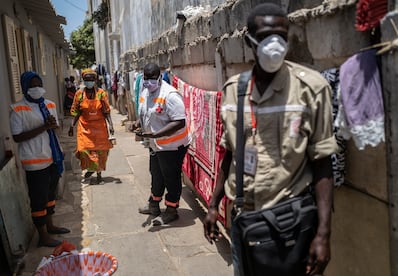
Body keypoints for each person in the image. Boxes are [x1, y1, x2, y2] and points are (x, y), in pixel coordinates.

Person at [203, 3, 338, 276]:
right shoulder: (232, 93)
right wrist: (213, 205)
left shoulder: (311, 89)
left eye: (281, 35)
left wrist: (323, 235)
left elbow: (323, 162)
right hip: (245, 220)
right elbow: (228, 155)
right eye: (265, 36)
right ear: (249, 40)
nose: (274, 43)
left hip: (292, 219)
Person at [10, 71, 70, 247]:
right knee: (38, 199)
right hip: (34, 161)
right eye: (32, 85)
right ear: (25, 87)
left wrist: (58, 146)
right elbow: (17, 137)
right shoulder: (18, 109)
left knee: (50, 195)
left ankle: (50, 226)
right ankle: (42, 235)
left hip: (51, 157)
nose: (36, 88)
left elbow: (54, 130)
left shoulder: (49, 104)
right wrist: (44, 126)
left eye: (38, 84)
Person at [131, 63, 191, 225]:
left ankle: (171, 210)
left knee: (170, 177)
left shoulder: (170, 95)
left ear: (159, 77)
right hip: (155, 144)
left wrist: (156, 134)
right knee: (156, 173)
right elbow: (146, 111)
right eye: (146, 78)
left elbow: (179, 122)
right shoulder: (145, 91)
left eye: (152, 78)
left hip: (172, 146)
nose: (149, 81)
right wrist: (137, 122)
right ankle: (153, 205)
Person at [68, 68, 114, 184]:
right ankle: (91, 169)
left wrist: (111, 125)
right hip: (85, 128)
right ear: (83, 80)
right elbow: (76, 112)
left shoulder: (101, 93)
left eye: (91, 79)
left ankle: (99, 175)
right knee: (84, 150)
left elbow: (106, 111)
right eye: (87, 80)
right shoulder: (79, 94)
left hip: (100, 128)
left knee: (101, 152)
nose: (89, 81)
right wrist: (71, 126)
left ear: (95, 80)